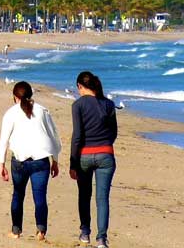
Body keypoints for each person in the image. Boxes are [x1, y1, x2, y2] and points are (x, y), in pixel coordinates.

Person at [0, 80, 61, 241]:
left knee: (18, 194)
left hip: (19, 160)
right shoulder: (42, 111)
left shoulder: (10, 113)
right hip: (41, 160)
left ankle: (16, 231)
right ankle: (41, 231)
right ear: (30, 95)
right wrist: (55, 160)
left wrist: (1, 164)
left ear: (14, 97)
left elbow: (4, 140)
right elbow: (54, 137)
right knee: (40, 196)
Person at [69, 71, 118, 248]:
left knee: (84, 195)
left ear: (80, 87)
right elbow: (114, 133)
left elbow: (77, 136)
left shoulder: (78, 105)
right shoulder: (109, 104)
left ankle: (84, 232)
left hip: (84, 155)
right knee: (102, 198)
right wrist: (104, 145)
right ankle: (102, 239)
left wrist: (72, 162)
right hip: (106, 154)